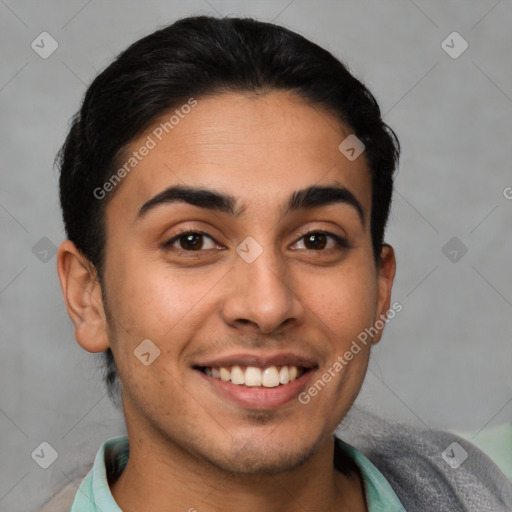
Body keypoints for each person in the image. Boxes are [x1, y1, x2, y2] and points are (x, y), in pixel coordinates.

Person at [50, 14, 512, 512]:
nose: (268, 306)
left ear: (381, 290)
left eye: (316, 240)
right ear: (87, 295)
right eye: (191, 241)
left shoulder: (480, 490)